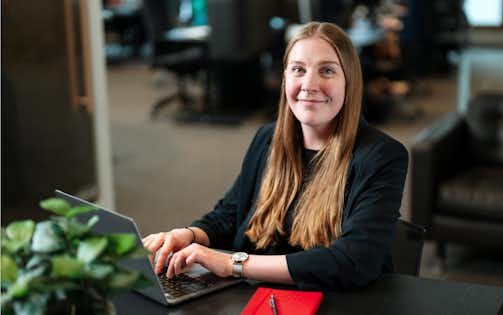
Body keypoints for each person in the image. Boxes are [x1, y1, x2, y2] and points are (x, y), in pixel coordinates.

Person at [142, 21, 408, 291]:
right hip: (258, 296)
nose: (309, 84)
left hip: (334, 301)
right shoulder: (267, 140)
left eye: (327, 71)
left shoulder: (382, 156)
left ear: (350, 82)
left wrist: (234, 264)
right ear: (285, 78)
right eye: (298, 70)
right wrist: (189, 236)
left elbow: (354, 261)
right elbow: (231, 214)